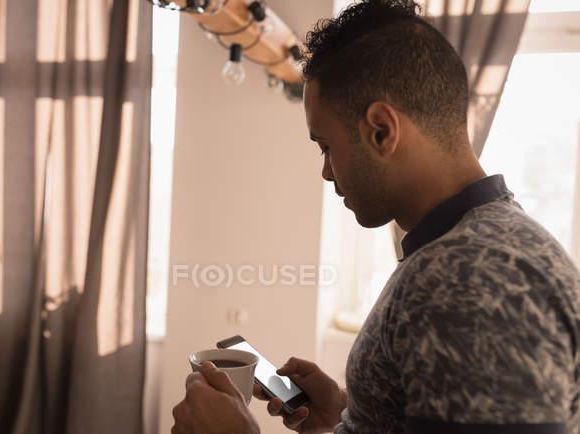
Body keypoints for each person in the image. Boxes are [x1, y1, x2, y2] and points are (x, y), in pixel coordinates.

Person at [171, 0, 580, 433]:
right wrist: (351, 415)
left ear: (381, 130)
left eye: (326, 146)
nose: (326, 172)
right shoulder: (473, 251)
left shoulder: (469, 277)